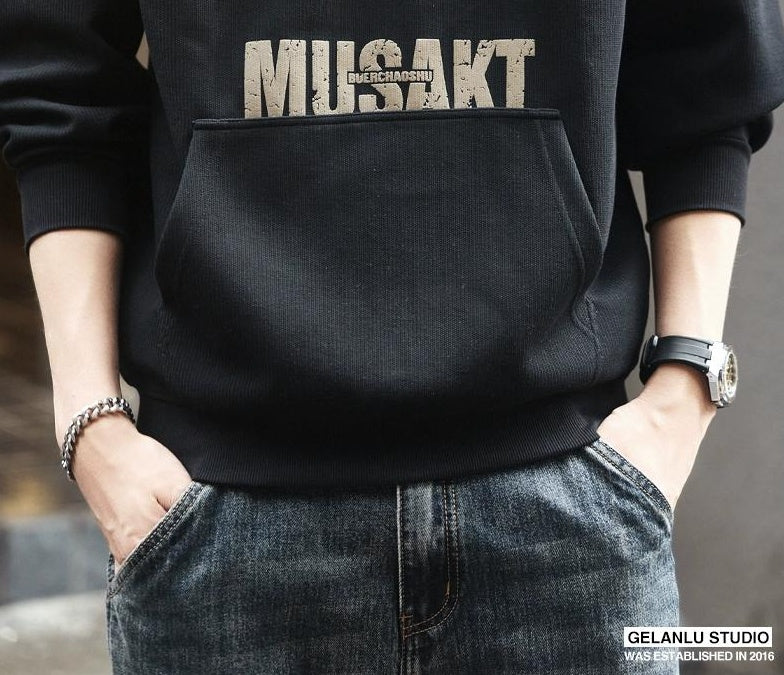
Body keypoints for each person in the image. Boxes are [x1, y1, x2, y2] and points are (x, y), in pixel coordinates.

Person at [1, 1, 783, 672]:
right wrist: (90, 422)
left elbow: (706, 61)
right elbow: (57, 69)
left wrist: (685, 387)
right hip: (221, 525)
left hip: (568, 514)